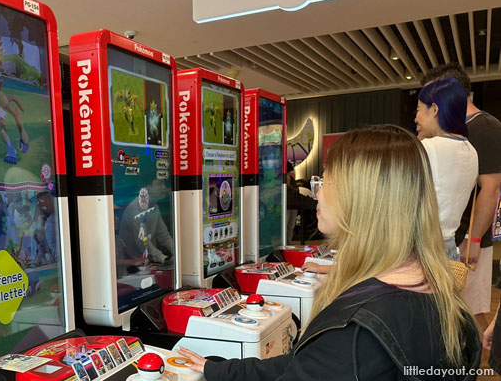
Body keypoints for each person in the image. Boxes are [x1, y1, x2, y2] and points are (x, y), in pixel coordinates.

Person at [179, 125, 481, 380]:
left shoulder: (354, 336)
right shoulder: (433, 292)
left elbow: (323, 363)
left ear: (360, 197)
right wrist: (218, 370)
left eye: (326, 179)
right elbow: (303, 364)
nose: (318, 190)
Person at [421, 63, 501, 334]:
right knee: (454, 314)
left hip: (468, 239)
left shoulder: (484, 127)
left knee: (471, 314)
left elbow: (490, 188)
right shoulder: (456, 135)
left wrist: (473, 239)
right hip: (453, 237)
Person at [414, 77, 478, 261]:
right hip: (448, 249)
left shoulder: (428, 148)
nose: (415, 117)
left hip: (421, 250)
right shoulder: (471, 151)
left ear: (434, 109)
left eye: (418, 109)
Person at [116, 178, 174, 277]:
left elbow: (163, 235)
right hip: (133, 266)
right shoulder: (135, 209)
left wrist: (176, 252)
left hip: (147, 262)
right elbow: (142, 241)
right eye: (159, 184)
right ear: (147, 188)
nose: (163, 187)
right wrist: (163, 258)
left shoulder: (154, 207)